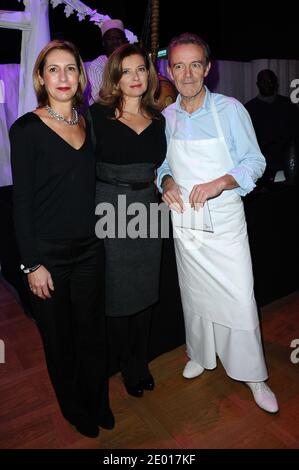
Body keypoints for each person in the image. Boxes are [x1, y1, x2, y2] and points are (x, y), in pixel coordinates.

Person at [157, 33, 279, 413]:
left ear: (208, 69)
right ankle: (201, 354)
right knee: (193, 295)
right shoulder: (167, 117)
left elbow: (255, 162)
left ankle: (254, 374)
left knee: (239, 297)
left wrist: (220, 182)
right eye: (179, 65)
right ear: (169, 71)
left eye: (196, 64)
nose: (188, 73)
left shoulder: (230, 110)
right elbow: (160, 166)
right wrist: (167, 181)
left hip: (225, 223)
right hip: (186, 226)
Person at [9, 40, 114, 438]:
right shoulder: (26, 129)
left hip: (90, 249)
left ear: (81, 76)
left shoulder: (87, 122)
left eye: (70, 68)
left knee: (92, 333)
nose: (63, 77)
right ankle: (74, 408)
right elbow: (20, 204)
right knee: (59, 339)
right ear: (41, 77)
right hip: (47, 256)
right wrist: (31, 263)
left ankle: (98, 400)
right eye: (53, 69)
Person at [89, 43, 166, 398]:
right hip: (109, 207)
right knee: (118, 294)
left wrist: (169, 180)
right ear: (115, 78)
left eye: (141, 70)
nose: (135, 77)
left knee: (145, 289)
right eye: (127, 71)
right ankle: (126, 366)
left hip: (148, 207)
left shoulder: (159, 117)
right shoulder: (96, 117)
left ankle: (142, 361)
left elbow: (166, 167)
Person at [245, 69, 299, 185]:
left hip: (288, 165)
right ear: (257, 84)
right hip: (261, 170)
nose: (267, 84)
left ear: (276, 83)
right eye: (263, 81)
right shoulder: (249, 109)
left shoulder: (288, 105)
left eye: (270, 81)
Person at [87, 19, 128, 104]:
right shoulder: (96, 65)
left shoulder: (131, 62)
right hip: (102, 112)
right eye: (110, 39)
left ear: (125, 41)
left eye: (119, 38)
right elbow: (99, 98)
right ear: (103, 43)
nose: (115, 42)